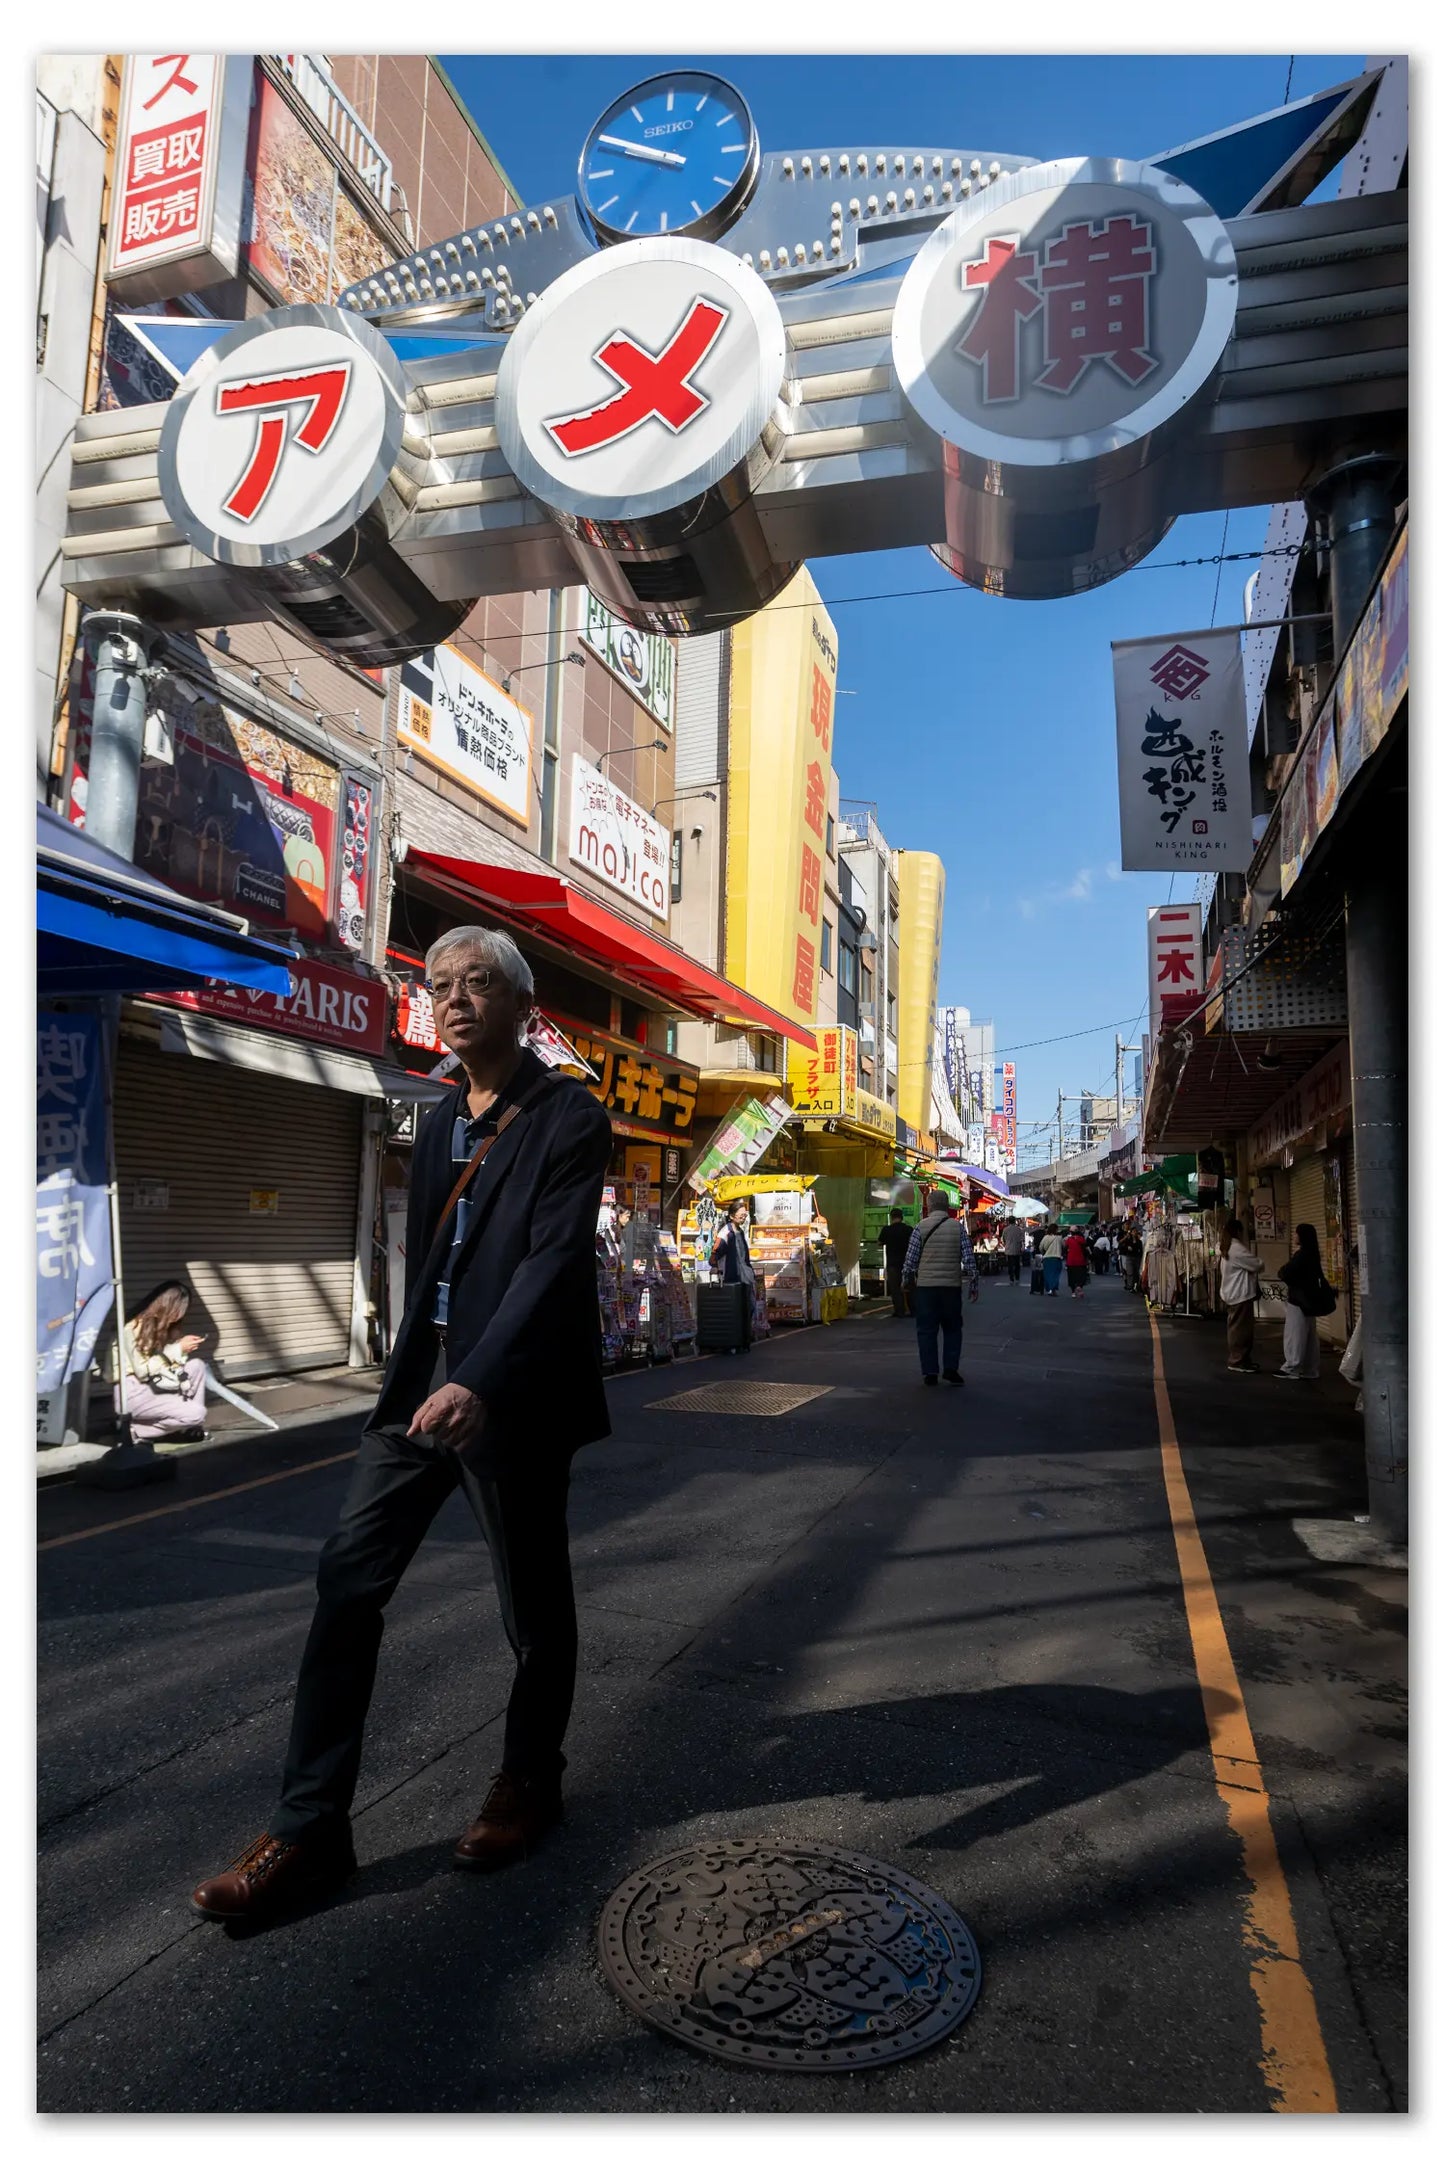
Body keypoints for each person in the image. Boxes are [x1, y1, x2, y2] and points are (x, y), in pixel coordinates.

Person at [190, 925, 613, 1924]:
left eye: (478, 983)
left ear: (523, 1007)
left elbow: (551, 1263)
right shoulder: (432, 1120)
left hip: (501, 1399)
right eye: (440, 984)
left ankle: (527, 1778)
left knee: (533, 1608)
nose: (455, 998)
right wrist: (414, 1363)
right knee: (346, 1581)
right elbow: (433, 1257)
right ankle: (310, 1828)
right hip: (416, 1396)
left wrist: (485, 1377)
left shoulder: (568, 1117)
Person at [901, 1188, 979, 1385]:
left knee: (926, 1330)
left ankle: (930, 1372)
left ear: (930, 1205)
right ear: (947, 1206)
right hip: (951, 1287)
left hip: (926, 1288)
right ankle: (951, 1368)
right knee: (953, 1328)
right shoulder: (957, 1227)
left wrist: (905, 1280)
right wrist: (973, 1284)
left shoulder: (920, 1227)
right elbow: (969, 1258)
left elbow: (910, 1260)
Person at [121, 1281, 208, 1444]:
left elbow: (172, 1364)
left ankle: (191, 1427)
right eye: (177, 1310)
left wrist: (181, 1347)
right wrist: (177, 1349)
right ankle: (137, 1430)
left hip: (158, 1385)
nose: (179, 1316)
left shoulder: (162, 1325)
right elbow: (142, 1371)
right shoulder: (132, 1327)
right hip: (133, 1391)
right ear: (164, 1304)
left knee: (197, 1365)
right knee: (197, 1413)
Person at [1278, 1222, 1332, 1381]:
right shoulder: (1314, 1254)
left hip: (1298, 1299)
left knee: (1295, 1334)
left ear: (1302, 1236)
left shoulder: (1301, 1255)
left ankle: (1292, 1367)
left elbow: (1285, 1272)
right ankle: (1310, 1369)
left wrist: (1284, 1274)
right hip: (1311, 1300)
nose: (1294, 1236)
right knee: (1309, 1336)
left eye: (1296, 1233)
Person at [711, 1199, 758, 1351]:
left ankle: (744, 1340)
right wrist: (717, 1267)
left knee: (747, 1308)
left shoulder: (740, 1231)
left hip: (744, 1276)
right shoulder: (726, 1233)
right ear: (731, 1216)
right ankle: (736, 1341)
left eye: (745, 1215)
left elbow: (744, 1255)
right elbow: (714, 1255)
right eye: (741, 1215)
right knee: (737, 1310)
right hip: (732, 1278)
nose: (743, 1218)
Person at [1219, 1216, 1263, 1373]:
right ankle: (1237, 1360)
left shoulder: (1226, 1246)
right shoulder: (1236, 1248)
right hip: (1240, 1294)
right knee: (1241, 1330)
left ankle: (1240, 1359)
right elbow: (1258, 1264)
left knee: (1236, 1328)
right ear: (1238, 1231)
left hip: (1231, 1293)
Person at [879, 1207, 915, 1316]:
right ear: (902, 1217)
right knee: (910, 1287)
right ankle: (913, 1310)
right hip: (907, 1263)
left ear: (891, 1217)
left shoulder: (887, 1230)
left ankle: (899, 1311)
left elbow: (879, 1242)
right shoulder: (908, 1229)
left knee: (895, 1288)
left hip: (892, 1263)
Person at [1064, 1225, 1090, 1298]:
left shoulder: (1069, 1240)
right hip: (1080, 1260)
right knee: (1081, 1275)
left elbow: (1065, 1249)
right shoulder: (1082, 1239)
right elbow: (1085, 1249)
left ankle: (1073, 1292)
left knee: (1071, 1276)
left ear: (1071, 1232)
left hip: (1070, 1261)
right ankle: (1079, 1286)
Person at [1039, 1224, 1065, 1296]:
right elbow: (1064, 1246)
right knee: (1056, 1274)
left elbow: (1041, 1247)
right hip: (1057, 1258)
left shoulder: (1045, 1237)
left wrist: (1043, 1252)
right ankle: (1053, 1288)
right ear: (1056, 1230)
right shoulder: (1059, 1238)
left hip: (1047, 1258)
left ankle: (1049, 1289)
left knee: (1047, 1274)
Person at [1001, 1216, 1025, 1284]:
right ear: (1015, 1221)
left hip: (1008, 1249)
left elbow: (1003, 1239)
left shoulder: (1005, 1229)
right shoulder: (1019, 1229)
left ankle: (1011, 1279)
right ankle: (1017, 1278)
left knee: (1010, 1264)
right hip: (1017, 1249)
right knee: (1017, 1264)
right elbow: (1022, 1239)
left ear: (1009, 1221)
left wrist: (1006, 1243)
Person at [1028, 1222, 1047, 1296]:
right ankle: (1041, 1289)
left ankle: (1033, 1289)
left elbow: (1029, 1233)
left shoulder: (1035, 1233)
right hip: (1043, 1254)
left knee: (1035, 1272)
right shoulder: (1045, 1234)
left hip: (1036, 1253)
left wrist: (1036, 1228)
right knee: (1042, 1272)